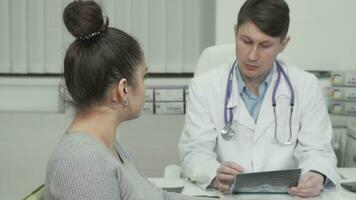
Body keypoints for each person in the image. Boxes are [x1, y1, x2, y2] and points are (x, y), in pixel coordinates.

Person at [44, 1, 208, 200]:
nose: (145, 86)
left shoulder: (109, 147)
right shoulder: (82, 163)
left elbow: (157, 197)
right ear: (123, 89)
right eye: (143, 77)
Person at [179, 0, 338, 197]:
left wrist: (316, 174)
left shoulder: (305, 86)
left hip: (285, 196)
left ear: (283, 44)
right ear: (235, 32)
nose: (252, 56)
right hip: (227, 196)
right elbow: (194, 151)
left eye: (265, 45)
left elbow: (318, 150)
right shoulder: (205, 87)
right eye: (246, 41)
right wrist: (213, 174)